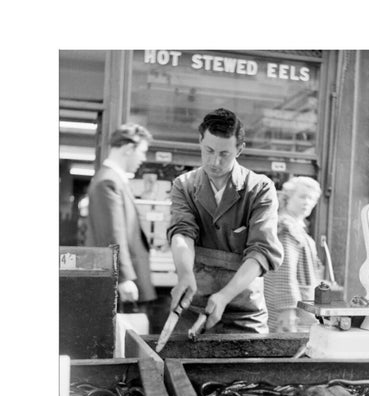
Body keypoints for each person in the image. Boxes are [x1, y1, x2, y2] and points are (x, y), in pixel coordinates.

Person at [167, 108, 283, 333]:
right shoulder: (184, 185)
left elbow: (261, 251)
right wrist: (184, 274)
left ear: (240, 149)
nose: (214, 161)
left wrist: (224, 296)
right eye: (209, 150)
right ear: (200, 140)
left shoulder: (259, 188)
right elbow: (182, 233)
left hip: (244, 311)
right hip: (192, 304)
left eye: (224, 154)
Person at [86, 123, 156, 308]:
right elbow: (112, 234)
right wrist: (123, 278)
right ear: (128, 149)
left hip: (126, 279)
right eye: (142, 151)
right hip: (122, 283)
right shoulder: (108, 181)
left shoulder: (114, 180)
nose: (143, 158)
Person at [264, 176, 324, 333]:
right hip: (290, 313)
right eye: (302, 196)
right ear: (287, 198)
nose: (307, 202)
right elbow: (284, 272)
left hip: (300, 308)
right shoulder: (286, 228)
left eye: (311, 199)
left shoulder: (296, 227)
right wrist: (287, 310)